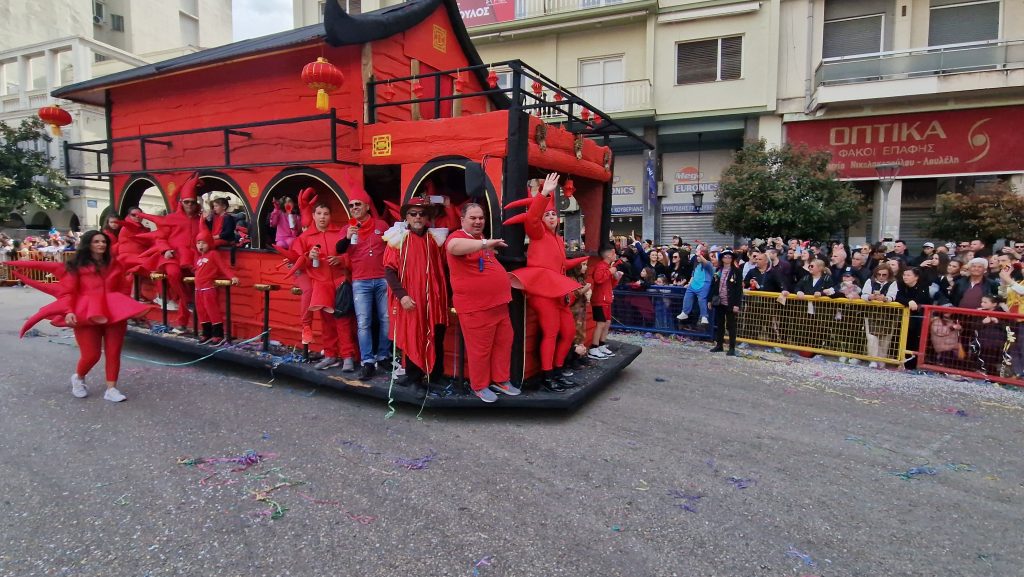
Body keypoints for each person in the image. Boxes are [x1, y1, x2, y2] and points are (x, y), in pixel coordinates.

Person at [10, 231, 148, 401]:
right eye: (96, 241)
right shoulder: (75, 266)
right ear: (88, 244)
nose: (101, 245)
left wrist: (127, 306)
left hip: (114, 311)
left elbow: (122, 287)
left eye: (103, 242)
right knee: (92, 354)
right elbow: (69, 291)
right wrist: (69, 311)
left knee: (114, 352)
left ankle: (111, 389)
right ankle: (79, 378)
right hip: (85, 312)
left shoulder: (115, 264)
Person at [504, 173, 588, 392]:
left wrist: (584, 258)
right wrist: (543, 193)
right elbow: (532, 218)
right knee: (550, 332)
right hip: (542, 292)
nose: (551, 217)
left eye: (554, 214)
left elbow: (561, 266)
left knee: (568, 332)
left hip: (559, 293)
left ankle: (558, 370)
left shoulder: (558, 239)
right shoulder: (538, 232)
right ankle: (548, 375)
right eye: (547, 214)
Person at [445, 203, 518, 403]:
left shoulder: (480, 240)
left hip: (499, 305)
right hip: (476, 308)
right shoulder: (457, 237)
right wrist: (485, 244)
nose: (478, 221)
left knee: (504, 344)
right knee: (480, 350)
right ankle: (479, 386)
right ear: (462, 220)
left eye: (481, 218)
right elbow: (453, 248)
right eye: (473, 218)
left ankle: (501, 380)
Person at [382, 198, 449, 395]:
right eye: (413, 213)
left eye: (422, 214)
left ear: (428, 217)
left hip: (435, 300)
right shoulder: (398, 239)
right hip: (411, 298)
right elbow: (389, 270)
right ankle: (414, 379)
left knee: (436, 335)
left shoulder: (436, 240)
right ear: (406, 217)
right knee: (413, 336)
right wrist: (402, 296)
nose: (418, 217)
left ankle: (433, 376)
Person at [294, 202, 358, 372]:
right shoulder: (305, 237)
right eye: (319, 213)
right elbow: (298, 263)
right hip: (320, 284)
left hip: (339, 282)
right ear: (313, 216)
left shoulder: (340, 233)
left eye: (326, 213)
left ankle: (347, 356)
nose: (322, 217)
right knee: (327, 323)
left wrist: (341, 260)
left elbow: (352, 255)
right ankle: (330, 355)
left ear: (330, 216)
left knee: (343, 321)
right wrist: (308, 256)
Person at [336, 185, 392, 380]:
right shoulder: (347, 228)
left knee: (386, 319)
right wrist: (348, 236)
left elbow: (393, 247)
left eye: (357, 204)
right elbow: (340, 249)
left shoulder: (381, 225)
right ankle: (368, 361)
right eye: (351, 206)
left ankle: (384, 355)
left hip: (382, 279)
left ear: (367, 206)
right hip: (360, 281)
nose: (354, 208)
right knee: (363, 322)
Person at [193, 229, 239, 345]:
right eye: (198, 243)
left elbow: (223, 267)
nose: (200, 246)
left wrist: (232, 277)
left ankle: (218, 334)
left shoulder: (213, 254)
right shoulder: (199, 258)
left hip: (208, 288)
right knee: (201, 311)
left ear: (209, 243)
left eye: (203, 243)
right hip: (198, 289)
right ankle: (206, 333)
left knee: (212, 310)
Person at [896, 267, 936, 369]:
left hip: (919, 318)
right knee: (904, 340)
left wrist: (914, 303)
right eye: (904, 275)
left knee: (916, 341)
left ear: (916, 277)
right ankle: (903, 362)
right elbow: (898, 297)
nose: (905, 277)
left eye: (908, 275)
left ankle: (915, 364)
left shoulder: (923, 287)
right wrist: (908, 301)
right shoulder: (900, 285)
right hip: (904, 318)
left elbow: (924, 301)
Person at [861, 265, 899, 368]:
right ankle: (872, 360)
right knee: (872, 337)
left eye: (884, 275)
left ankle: (881, 360)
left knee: (885, 339)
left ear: (888, 275)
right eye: (879, 274)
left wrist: (885, 299)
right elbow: (863, 295)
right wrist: (870, 297)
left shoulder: (893, 283)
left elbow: (892, 296)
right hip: (871, 313)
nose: (881, 276)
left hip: (888, 314)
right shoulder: (870, 281)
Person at [589, 246, 621, 360]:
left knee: (607, 323)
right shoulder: (601, 266)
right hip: (599, 300)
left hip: (606, 299)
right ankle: (594, 347)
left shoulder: (607, 267)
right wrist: (610, 272)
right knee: (601, 323)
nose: (616, 255)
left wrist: (616, 277)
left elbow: (611, 284)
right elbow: (598, 279)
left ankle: (602, 345)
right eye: (614, 253)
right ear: (609, 254)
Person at [709, 250, 743, 356]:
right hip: (719, 301)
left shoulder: (736, 271)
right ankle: (719, 345)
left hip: (731, 302)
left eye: (729, 257)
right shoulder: (718, 270)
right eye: (725, 257)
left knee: (731, 325)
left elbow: (738, 290)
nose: (727, 259)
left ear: (732, 259)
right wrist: (710, 300)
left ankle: (732, 347)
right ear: (722, 258)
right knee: (719, 324)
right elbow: (713, 285)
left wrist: (737, 304)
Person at [676, 247, 714, 324]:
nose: (698, 258)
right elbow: (693, 276)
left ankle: (704, 316)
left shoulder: (709, 265)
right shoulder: (696, 266)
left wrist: (701, 255)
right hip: (693, 285)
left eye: (699, 256)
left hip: (703, 286)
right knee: (687, 297)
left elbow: (706, 263)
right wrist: (689, 284)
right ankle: (685, 312)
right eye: (697, 256)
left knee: (702, 300)